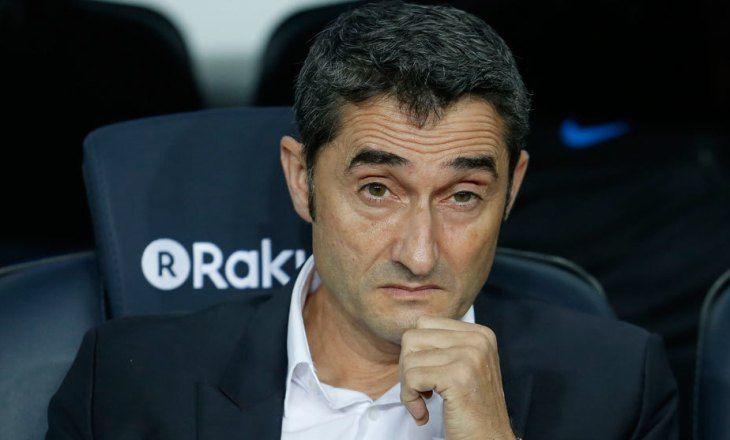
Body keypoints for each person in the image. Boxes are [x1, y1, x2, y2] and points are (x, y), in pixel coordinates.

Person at [46, 2, 678, 439]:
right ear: (302, 179)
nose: (420, 254)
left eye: (462, 196)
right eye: (378, 190)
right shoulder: (129, 380)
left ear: (511, 189)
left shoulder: (618, 388)